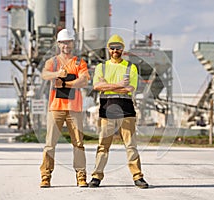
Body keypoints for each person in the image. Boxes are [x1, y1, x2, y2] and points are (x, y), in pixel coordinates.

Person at [88, 34, 149, 189]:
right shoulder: (101, 67)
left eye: (119, 47)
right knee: (103, 145)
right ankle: (96, 177)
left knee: (131, 145)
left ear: (123, 49)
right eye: (112, 47)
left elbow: (130, 88)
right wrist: (119, 84)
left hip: (126, 111)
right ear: (108, 49)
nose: (115, 50)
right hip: (107, 110)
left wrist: (108, 85)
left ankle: (138, 177)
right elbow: (97, 87)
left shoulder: (131, 67)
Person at [39, 29, 90, 188]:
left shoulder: (79, 62)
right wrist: (57, 74)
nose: (66, 45)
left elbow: (84, 81)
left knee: (78, 143)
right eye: (63, 42)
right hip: (56, 108)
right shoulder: (52, 62)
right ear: (58, 44)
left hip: (74, 109)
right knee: (50, 144)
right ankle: (45, 176)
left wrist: (66, 83)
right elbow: (44, 75)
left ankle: (81, 176)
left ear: (73, 43)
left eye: (68, 42)